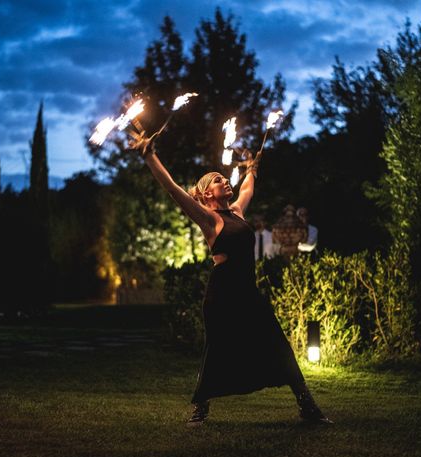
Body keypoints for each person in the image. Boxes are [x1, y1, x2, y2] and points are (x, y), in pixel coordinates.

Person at [129, 137, 331, 426]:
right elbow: (172, 189)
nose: (224, 180)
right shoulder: (209, 219)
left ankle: (307, 406)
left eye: (224, 178)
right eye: (217, 181)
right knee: (217, 349)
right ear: (206, 194)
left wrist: (252, 168)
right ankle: (200, 408)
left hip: (248, 291)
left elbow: (248, 186)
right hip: (222, 294)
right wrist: (149, 156)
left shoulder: (236, 212)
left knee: (277, 343)